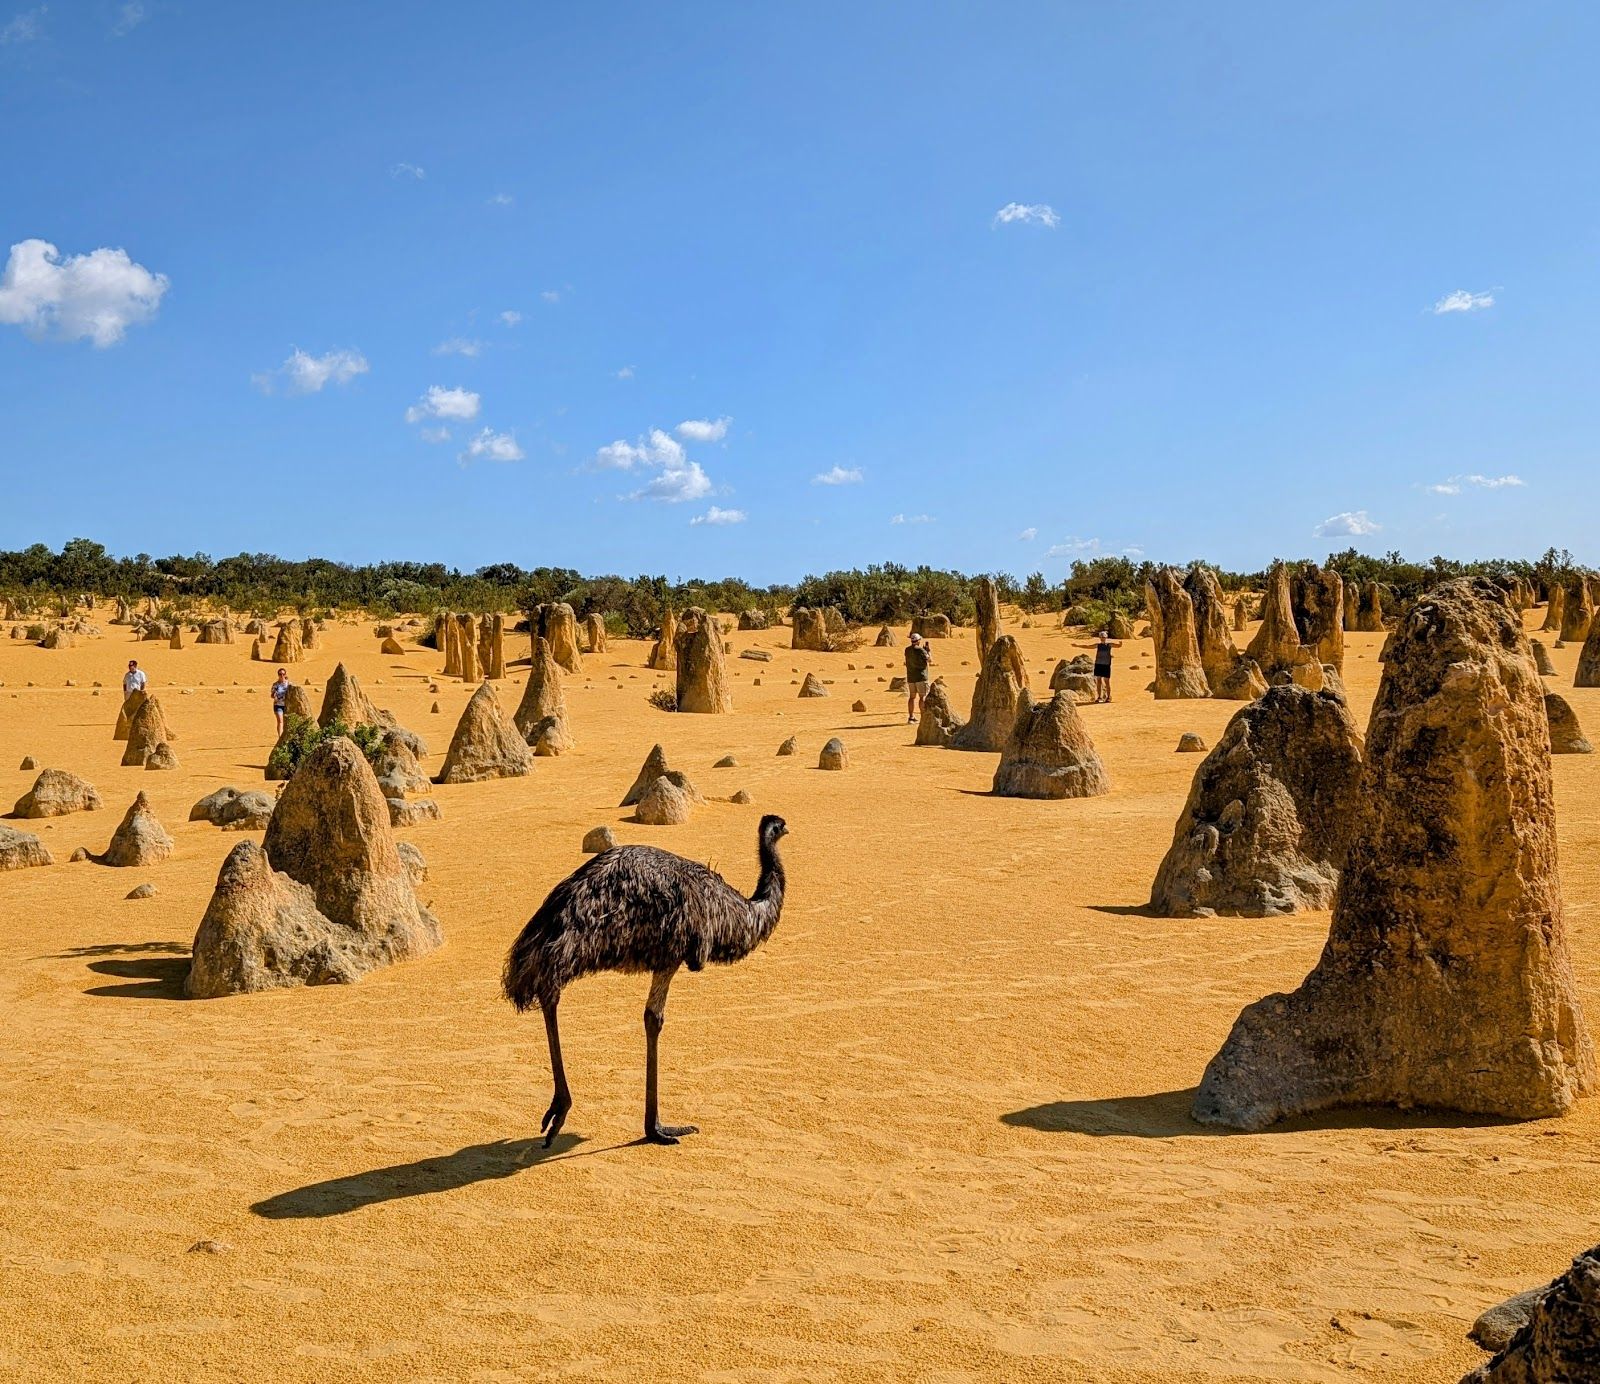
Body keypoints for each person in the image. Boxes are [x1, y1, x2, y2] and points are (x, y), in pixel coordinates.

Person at [1074, 629, 1123, 703]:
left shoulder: (1109, 645)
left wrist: (1120, 644)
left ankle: (1108, 697)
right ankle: (1099, 697)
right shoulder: (1098, 645)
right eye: (1101, 637)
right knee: (1099, 681)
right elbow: (1087, 646)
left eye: (1104, 637)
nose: (1102, 638)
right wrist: (1077, 646)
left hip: (1106, 665)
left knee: (1106, 682)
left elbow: (1118, 646)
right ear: (1100, 638)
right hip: (1098, 664)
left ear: (1106, 637)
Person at [904, 631, 932, 722]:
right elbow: (929, 660)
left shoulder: (907, 650)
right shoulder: (920, 650)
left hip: (911, 677)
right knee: (922, 697)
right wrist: (928, 651)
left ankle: (911, 717)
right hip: (921, 677)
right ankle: (923, 717)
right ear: (919, 640)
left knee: (912, 697)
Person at [271, 668, 292, 736]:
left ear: (285, 674)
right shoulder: (275, 684)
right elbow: (272, 695)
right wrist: (274, 695)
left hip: (287, 705)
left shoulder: (289, 684)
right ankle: (280, 737)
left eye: (283, 674)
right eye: (280, 674)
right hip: (278, 705)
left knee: (288, 721)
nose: (282, 675)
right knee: (280, 720)